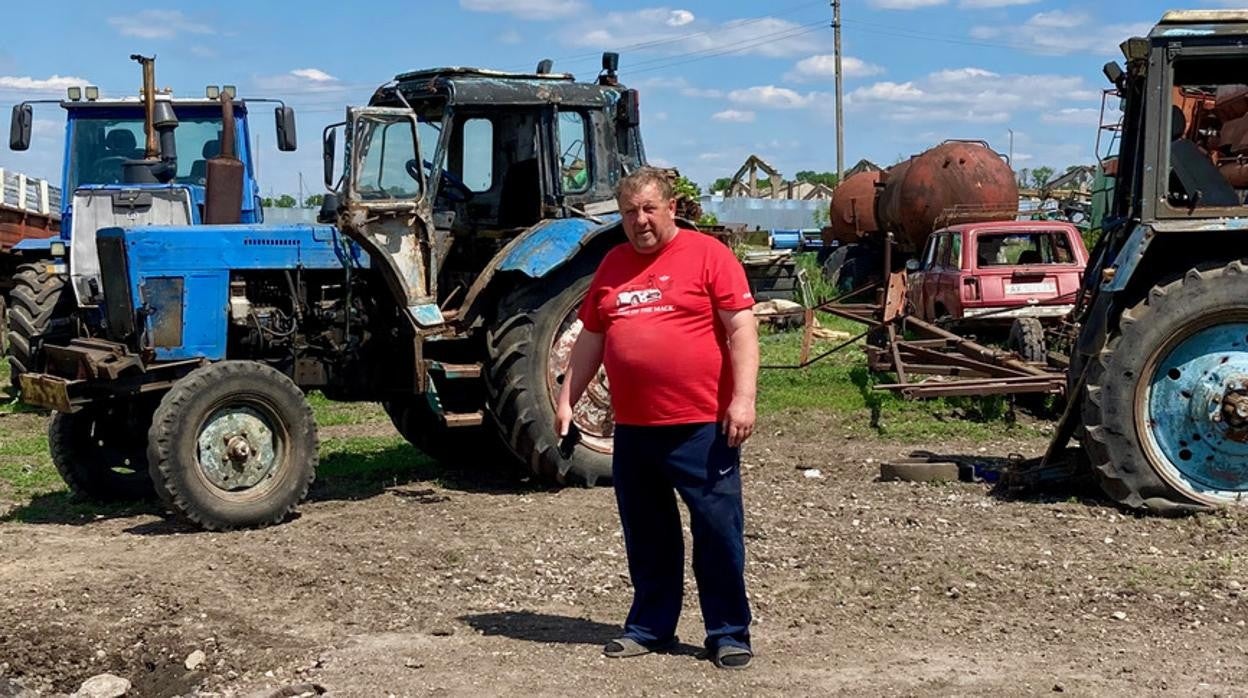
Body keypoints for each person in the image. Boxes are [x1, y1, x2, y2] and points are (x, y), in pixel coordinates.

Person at [555, 167, 760, 670]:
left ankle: (728, 632)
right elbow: (592, 340)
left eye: (649, 208)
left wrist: (744, 400)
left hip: (701, 426)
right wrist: (566, 398)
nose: (639, 220)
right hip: (636, 431)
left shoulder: (709, 255)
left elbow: (741, 329)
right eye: (629, 211)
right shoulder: (613, 265)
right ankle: (651, 627)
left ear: (671, 208)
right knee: (648, 534)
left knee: (716, 530)